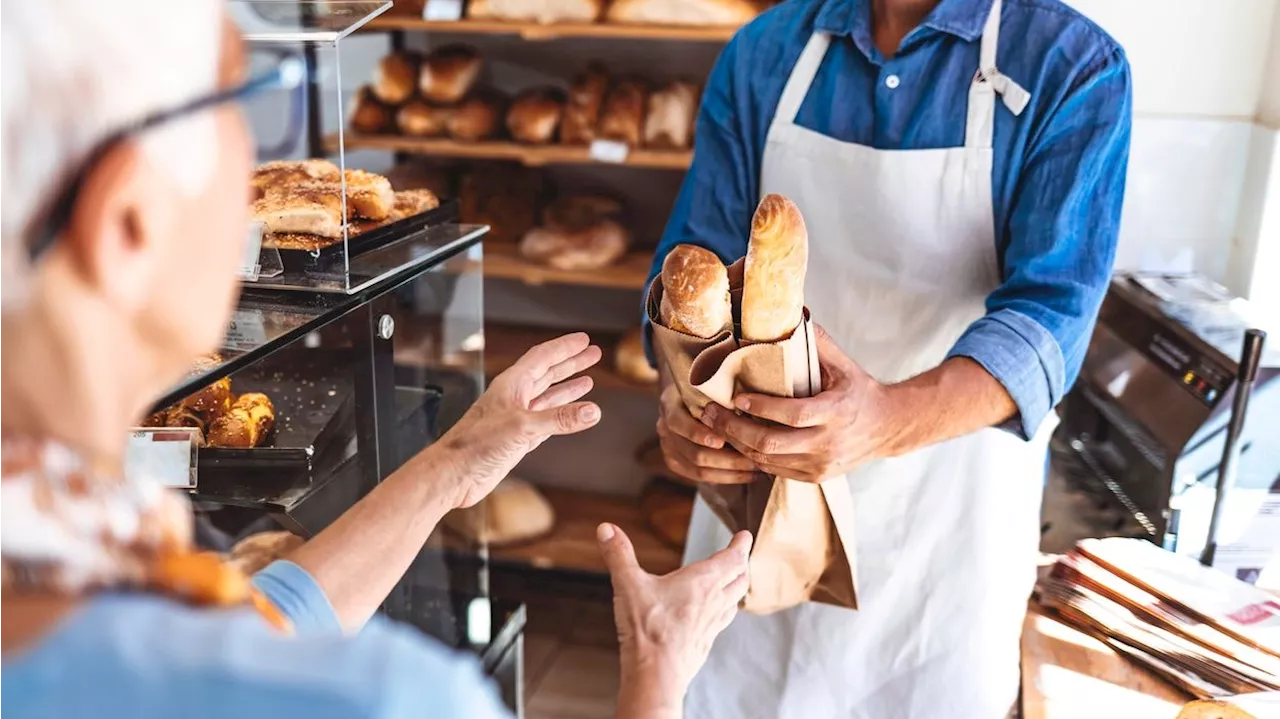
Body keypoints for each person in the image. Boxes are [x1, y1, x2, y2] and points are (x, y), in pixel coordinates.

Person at [0, 2, 751, 717]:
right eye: (238, 99)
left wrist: (457, 457)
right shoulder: (374, 700)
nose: (260, 171)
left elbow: (268, 625)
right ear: (130, 221)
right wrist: (657, 667)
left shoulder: (64, 563)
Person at [649, 0, 1132, 717]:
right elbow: (694, 272)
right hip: (760, 517)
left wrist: (882, 421)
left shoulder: (1072, 66)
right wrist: (681, 400)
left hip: (945, 534)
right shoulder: (764, 52)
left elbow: (1052, 315)